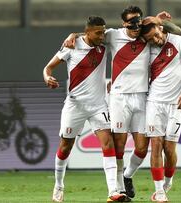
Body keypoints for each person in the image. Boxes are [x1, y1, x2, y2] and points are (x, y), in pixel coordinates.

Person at [63, 6, 181, 199]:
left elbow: (176, 31)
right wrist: (73, 35)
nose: (136, 26)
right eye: (132, 22)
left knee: (142, 148)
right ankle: (118, 189)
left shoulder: (146, 35)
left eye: (138, 21)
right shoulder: (113, 35)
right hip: (119, 98)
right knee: (118, 147)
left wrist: (158, 21)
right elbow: (92, 33)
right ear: (124, 23)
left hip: (142, 96)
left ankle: (127, 176)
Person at [43, 16, 129, 202]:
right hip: (75, 105)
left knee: (108, 144)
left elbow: (124, 33)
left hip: (99, 105)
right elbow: (48, 68)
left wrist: (75, 33)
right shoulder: (71, 47)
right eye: (98, 32)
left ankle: (113, 191)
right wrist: (46, 77)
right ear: (88, 32)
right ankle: (58, 185)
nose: (102, 36)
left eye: (103, 32)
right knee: (65, 147)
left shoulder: (103, 45)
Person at [140, 19, 181, 202]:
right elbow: (118, 36)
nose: (156, 40)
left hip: (176, 104)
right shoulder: (146, 48)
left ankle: (168, 182)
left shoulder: (180, 42)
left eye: (157, 35)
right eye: (151, 39)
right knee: (156, 146)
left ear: (161, 28)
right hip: (154, 103)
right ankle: (159, 191)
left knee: (169, 148)